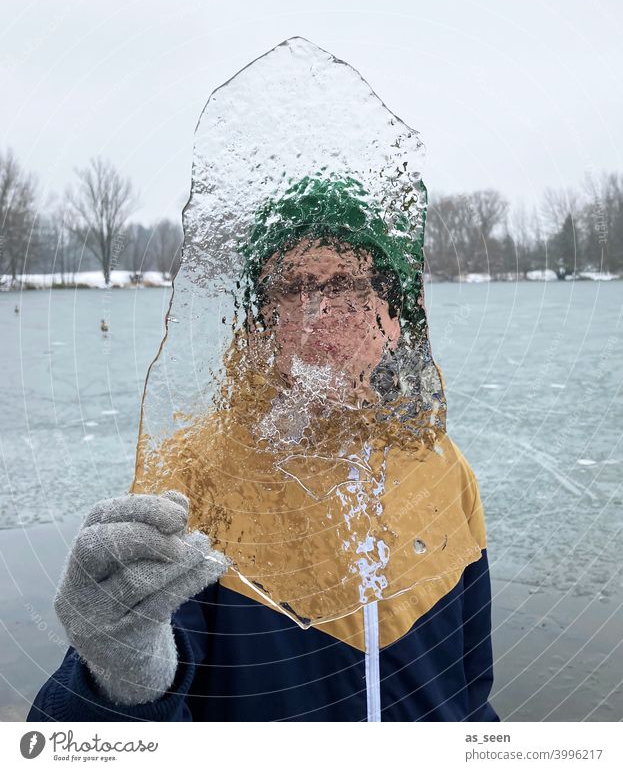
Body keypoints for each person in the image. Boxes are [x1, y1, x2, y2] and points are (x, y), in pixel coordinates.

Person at [28, 178, 499, 722]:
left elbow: (470, 695)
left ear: (394, 317)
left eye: (349, 288)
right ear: (258, 322)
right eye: (294, 290)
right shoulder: (195, 474)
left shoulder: (442, 469)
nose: (320, 317)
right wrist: (120, 679)